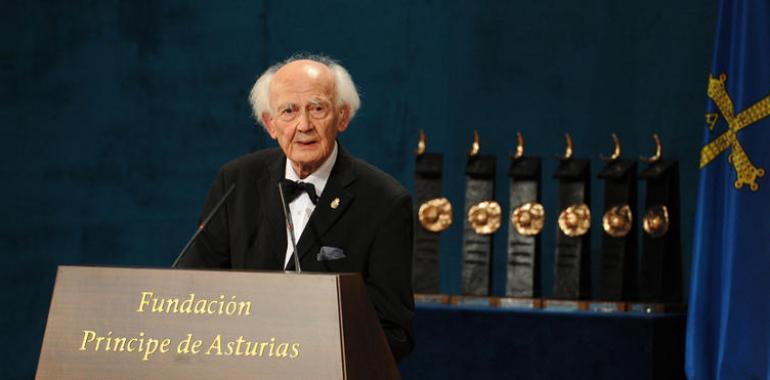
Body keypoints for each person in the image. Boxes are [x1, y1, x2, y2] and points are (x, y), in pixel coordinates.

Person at [177, 54, 415, 361]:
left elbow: (395, 333)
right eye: (289, 111)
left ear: (342, 117)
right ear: (270, 124)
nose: (304, 125)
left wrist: (314, 352)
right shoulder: (235, 181)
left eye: (317, 109)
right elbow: (194, 292)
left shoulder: (385, 202)